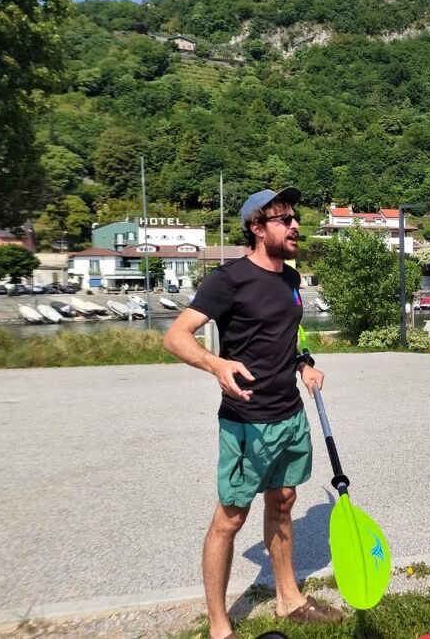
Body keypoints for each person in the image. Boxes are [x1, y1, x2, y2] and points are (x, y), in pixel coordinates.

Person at [163, 187, 342, 638]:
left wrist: (305, 364)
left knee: (283, 502)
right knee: (231, 518)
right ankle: (220, 627)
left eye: (295, 216)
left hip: (290, 414)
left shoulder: (291, 280)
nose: (295, 225)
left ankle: (288, 600)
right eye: (283, 218)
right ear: (257, 228)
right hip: (246, 422)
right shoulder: (228, 280)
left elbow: (287, 334)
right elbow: (177, 336)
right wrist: (215, 363)